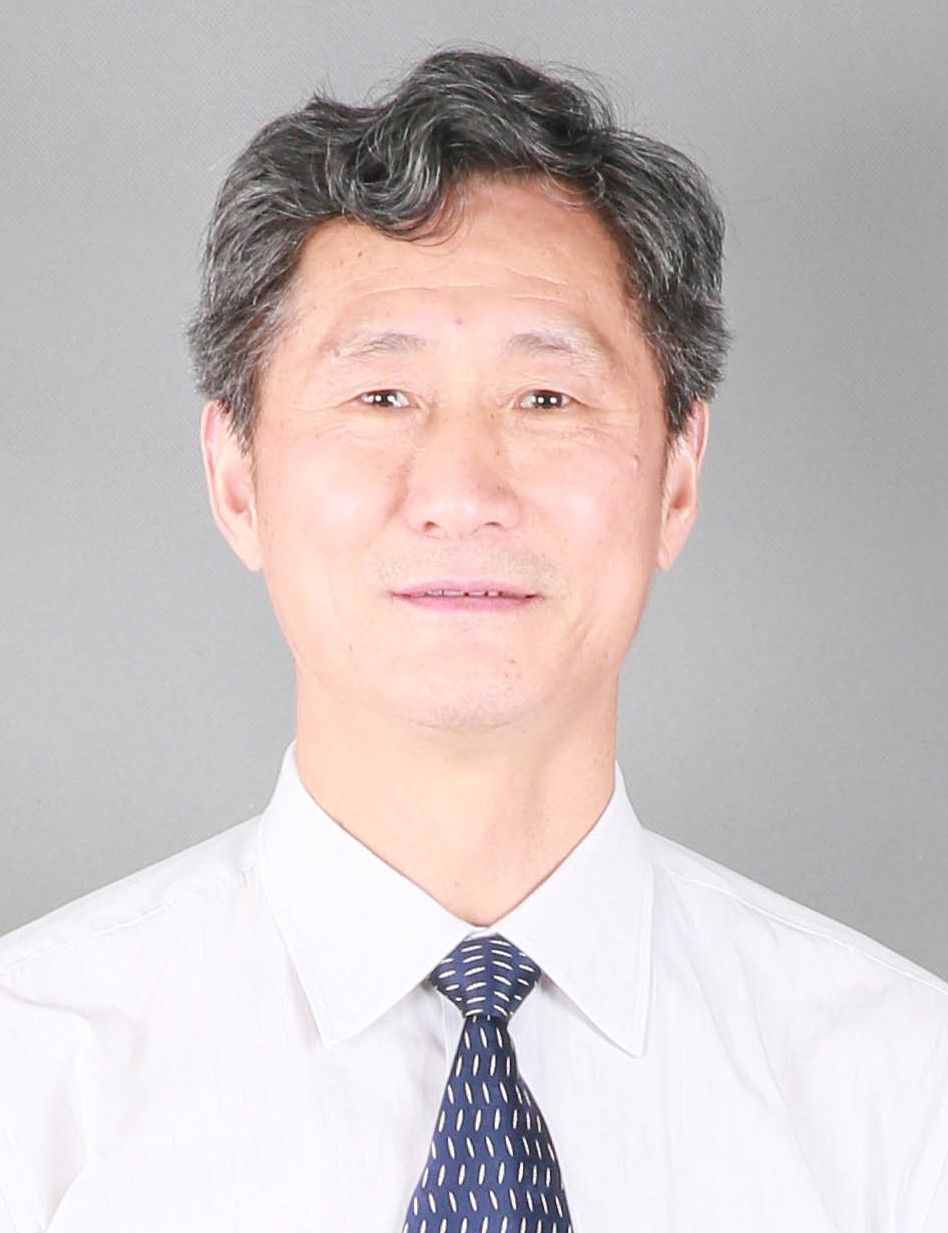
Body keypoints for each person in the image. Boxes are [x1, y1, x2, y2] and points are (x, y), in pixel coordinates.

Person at [1, 45, 945, 1233]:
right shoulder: (35, 1078)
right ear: (236, 478)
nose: (461, 491)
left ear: (678, 476)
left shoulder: (900, 1094)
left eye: (547, 399)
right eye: (380, 397)